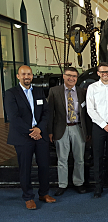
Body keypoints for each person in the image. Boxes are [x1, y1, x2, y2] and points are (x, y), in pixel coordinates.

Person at [4, 65, 56, 209]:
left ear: (32, 76)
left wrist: (39, 129)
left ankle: (44, 193)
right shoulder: (11, 93)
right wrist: (31, 132)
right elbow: (13, 117)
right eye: (23, 74)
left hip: (40, 135)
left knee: (44, 166)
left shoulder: (39, 91)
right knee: (25, 168)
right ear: (18, 76)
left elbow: (46, 112)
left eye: (29, 74)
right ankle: (28, 197)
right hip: (23, 137)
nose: (27, 77)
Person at [48, 67, 91, 196]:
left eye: (74, 76)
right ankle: (62, 184)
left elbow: (87, 114)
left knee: (79, 158)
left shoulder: (82, 92)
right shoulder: (54, 91)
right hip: (61, 128)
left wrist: (88, 131)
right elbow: (50, 113)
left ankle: (79, 183)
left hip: (78, 128)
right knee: (62, 159)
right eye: (69, 75)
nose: (71, 78)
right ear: (63, 76)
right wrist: (50, 131)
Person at [86, 62, 108, 198]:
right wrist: (102, 124)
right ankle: (98, 187)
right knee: (98, 157)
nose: (105, 74)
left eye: (107, 72)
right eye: (102, 72)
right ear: (98, 73)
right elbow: (90, 109)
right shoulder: (92, 88)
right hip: (99, 127)